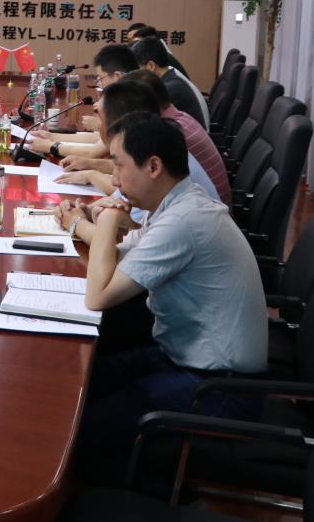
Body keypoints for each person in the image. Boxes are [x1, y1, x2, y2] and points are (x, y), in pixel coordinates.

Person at [60, 112, 266, 477]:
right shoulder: (178, 204)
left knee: (76, 431)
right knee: (74, 386)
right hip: (181, 358)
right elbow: (122, 255)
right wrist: (84, 222)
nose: (114, 179)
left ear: (153, 166)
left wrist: (106, 221)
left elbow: (98, 296)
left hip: (219, 389)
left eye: (119, 165)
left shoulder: (183, 222)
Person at [59, 70, 231, 206]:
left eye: (100, 120)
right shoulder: (163, 130)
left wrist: (79, 220)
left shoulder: (163, 141)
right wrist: (91, 168)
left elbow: (126, 194)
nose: (98, 126)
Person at [28, 43, 138, 158]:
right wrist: (52, 136)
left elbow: (93, 152)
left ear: (117, 76)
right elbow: (98, 139)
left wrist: (50, 146)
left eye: (101, 79)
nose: (100, 85)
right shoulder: (128, 94)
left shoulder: (132, 101)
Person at [131, 36, 208, 129]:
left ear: (151, 66)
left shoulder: (169, 89)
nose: (133, 74)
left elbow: (143, 122)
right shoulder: (171, 77)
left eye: (136, 69)